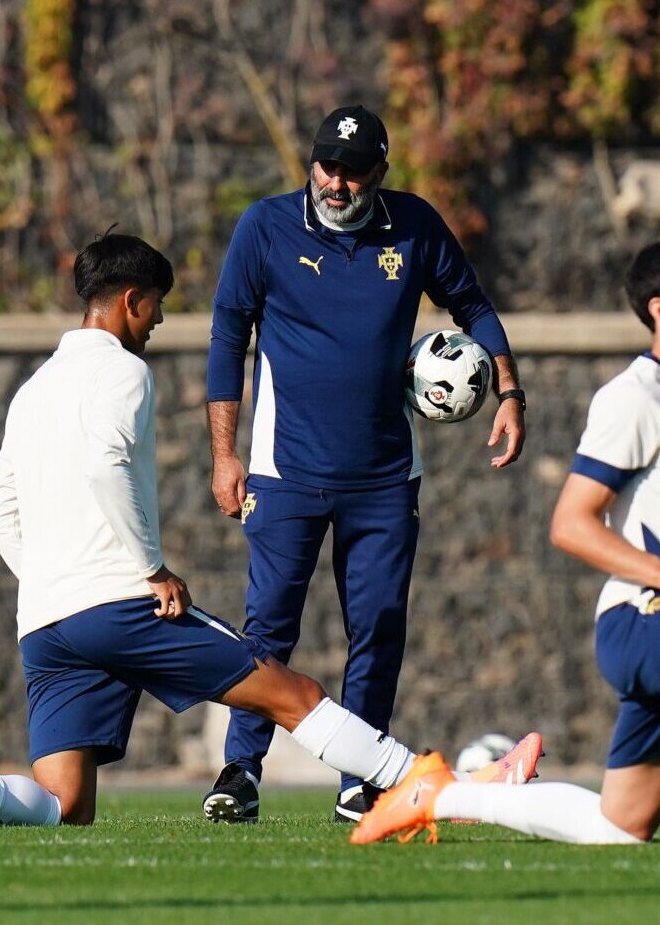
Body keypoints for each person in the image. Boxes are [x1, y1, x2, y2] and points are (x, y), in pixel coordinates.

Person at [0, 233, 540, 831]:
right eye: (156, 303)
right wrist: (150, 568)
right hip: (121, 604)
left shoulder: (35, 386)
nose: (159, 319)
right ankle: (444, 791)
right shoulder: (123, 371)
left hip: (45, 621)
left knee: (63, 803)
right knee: (293, 695)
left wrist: (50, 579)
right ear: (130, 300)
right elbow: (104, 466)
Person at [352, 236, 660, 848]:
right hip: (644, 621)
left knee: (618, 830)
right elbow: (571, 523)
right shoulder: (636, 396)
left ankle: (438, 792)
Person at [203, 105, 528, 822]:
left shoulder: (413, 226)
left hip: (385, 477)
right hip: (284, 473)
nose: (336, 182)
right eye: (326, 166)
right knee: (268, 627)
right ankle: (241, 769)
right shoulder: (265, 227)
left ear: (379, 172)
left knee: (379, 623)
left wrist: (510, 392)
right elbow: (228, 337)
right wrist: (224, 454)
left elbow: (473, 306)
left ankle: (363, 778)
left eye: (352, 171)